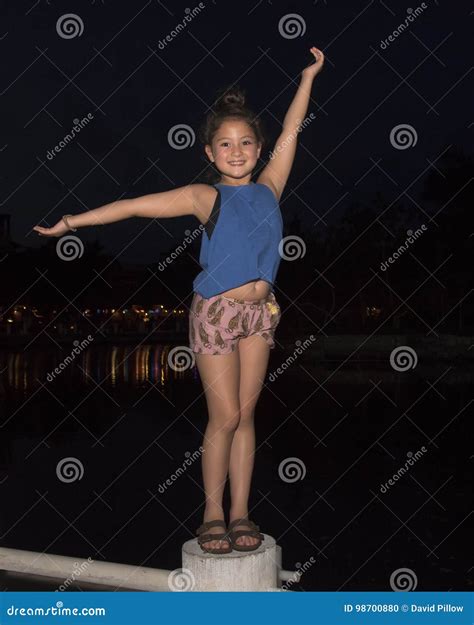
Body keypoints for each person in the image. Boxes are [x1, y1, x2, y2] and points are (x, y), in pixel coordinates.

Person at [33, 46, 325, 554]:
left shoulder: (270, 189)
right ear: (209, 153)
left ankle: (240, 514)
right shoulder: (202, 197)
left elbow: (292, 131)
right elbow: (131, 207)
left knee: (248, 415)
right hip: (216, 314)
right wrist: (72, 223)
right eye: (225, 144)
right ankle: (212, 513)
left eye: (246, 142)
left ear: (258, 149)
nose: (237, 151)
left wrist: (307, 79)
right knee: (225, 416)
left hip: (261, 314)